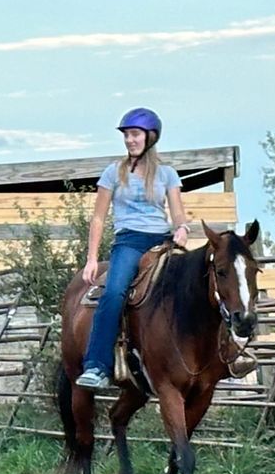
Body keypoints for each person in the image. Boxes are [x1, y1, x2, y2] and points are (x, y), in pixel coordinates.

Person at [73, 108, 191, 392]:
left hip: (161, 240)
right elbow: (99, 217)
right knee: (113, 293)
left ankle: (225, 353)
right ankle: (97, 366)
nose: (129, 140)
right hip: (128, 241)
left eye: (134, 134)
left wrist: (182, 229)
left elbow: (177, 213)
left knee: (195, 285)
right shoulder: (113, 172)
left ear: (150, 137)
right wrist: (91, 259)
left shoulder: (167, 174)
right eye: (126, 135)